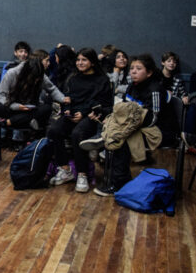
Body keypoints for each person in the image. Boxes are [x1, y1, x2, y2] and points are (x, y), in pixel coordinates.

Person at [92, 54, 168, 196]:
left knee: (120, 140)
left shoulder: (155, 89)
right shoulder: (131, 86)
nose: (133, 71)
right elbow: (124, 110)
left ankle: (118, 183)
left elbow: (154, 118)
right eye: (132, 68)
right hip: (131, 125)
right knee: (111, 134)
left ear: (149, 72)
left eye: (138, 68)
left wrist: (127, 127)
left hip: (151, 129)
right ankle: (114, 179)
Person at [47, 48, 113, 193]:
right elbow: (68, 99)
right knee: (54, 130)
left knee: (77, 134)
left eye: (84, 60)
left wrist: (83, 114)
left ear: (92, 62)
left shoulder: (102, 80)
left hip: (91, 116)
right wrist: (67, 110)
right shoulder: (73, 78)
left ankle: (82, 174)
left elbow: (104, 104)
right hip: (73, 115)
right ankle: (65, 169)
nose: (80, 63)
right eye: (78, 60)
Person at [0, 53, 68, 130]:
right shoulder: (12, 74)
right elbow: (0, 95)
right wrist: (14, 106)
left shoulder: (40, 74)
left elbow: (52, 89)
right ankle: (26, 121)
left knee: (46, 108)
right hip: (12, 105)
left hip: (29, 107)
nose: (36, 81)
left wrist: (63, 99)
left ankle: (7, 122)